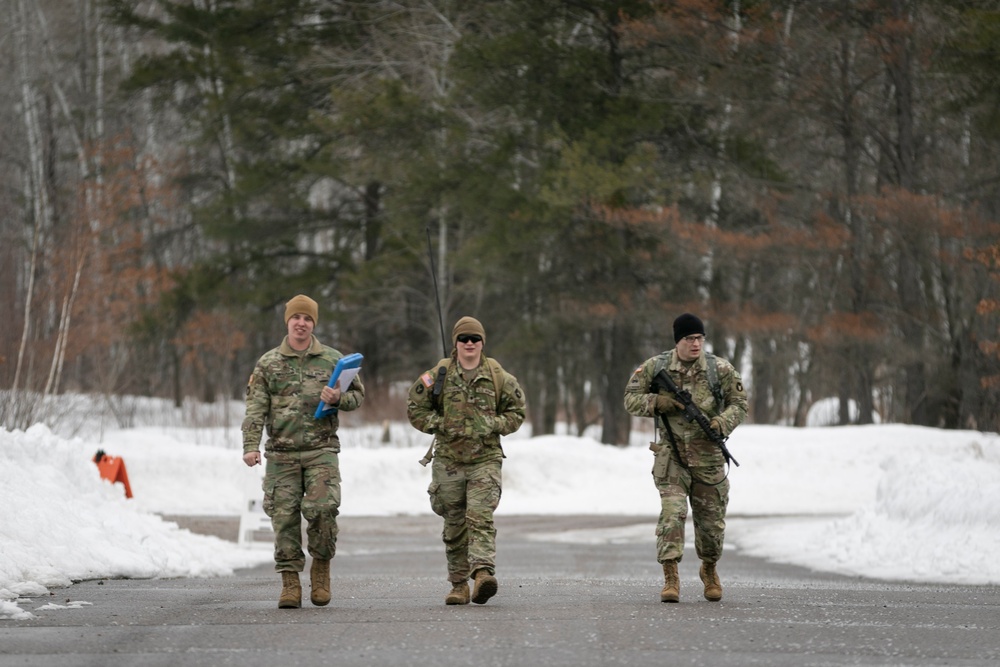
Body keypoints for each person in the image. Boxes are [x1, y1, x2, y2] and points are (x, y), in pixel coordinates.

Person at [241, 294, 365, 609]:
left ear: (314, 324)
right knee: (283, 519)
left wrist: (339, 398)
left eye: (308, 318)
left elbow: (357, 397)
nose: (302, 323)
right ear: (288, 321)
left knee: (323, 510)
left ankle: (321, 571)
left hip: (320, 449)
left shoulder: (333, 360)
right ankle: (290, 583)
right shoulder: (268, 363)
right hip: (280, 454)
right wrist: (250, 446)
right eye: (297, 317)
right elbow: (255, 408)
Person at [623, 313, 747, 603]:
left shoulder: (720, 369)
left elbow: (740, 404)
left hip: (709, 459)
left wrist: (721, 423)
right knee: (672, 515)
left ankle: (709, 569)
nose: (695, 344)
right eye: (689, 338)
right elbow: (630, 399)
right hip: (672, 457)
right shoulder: (656, 366)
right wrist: (657, 403)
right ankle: (670, 577)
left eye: (700, 338)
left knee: (711, 526)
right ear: (678, 341)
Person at [406, 316, 526, 606]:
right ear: (456, 343)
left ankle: (483, 573)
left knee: (480, 516)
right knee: (455, 523)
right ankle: (459, 584)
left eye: (475, 339)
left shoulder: (499, 377)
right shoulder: (439, 375)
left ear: (483, 343)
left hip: (485, 459)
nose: (469, 343)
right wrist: (438, 422)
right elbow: (414, 408)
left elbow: (517, 412)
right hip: (448, 461)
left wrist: (494, 424)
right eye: (463, 339)